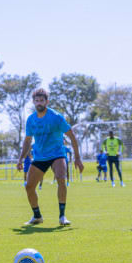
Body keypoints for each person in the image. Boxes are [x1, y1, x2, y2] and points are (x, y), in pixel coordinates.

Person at [17, 88, 84, 226]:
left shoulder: (56, 117)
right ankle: (37, 216)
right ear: (33, 102)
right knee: (29, 186)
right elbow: (28, 141)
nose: (39, 103)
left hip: (57, 154)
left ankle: (62, 216)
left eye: (42, 100)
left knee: (61, 178)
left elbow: (72, 136)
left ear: (47, 101)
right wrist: (21, 159)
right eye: (36, 101)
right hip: (40, 157)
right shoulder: (31, 120)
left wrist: (77, 158)